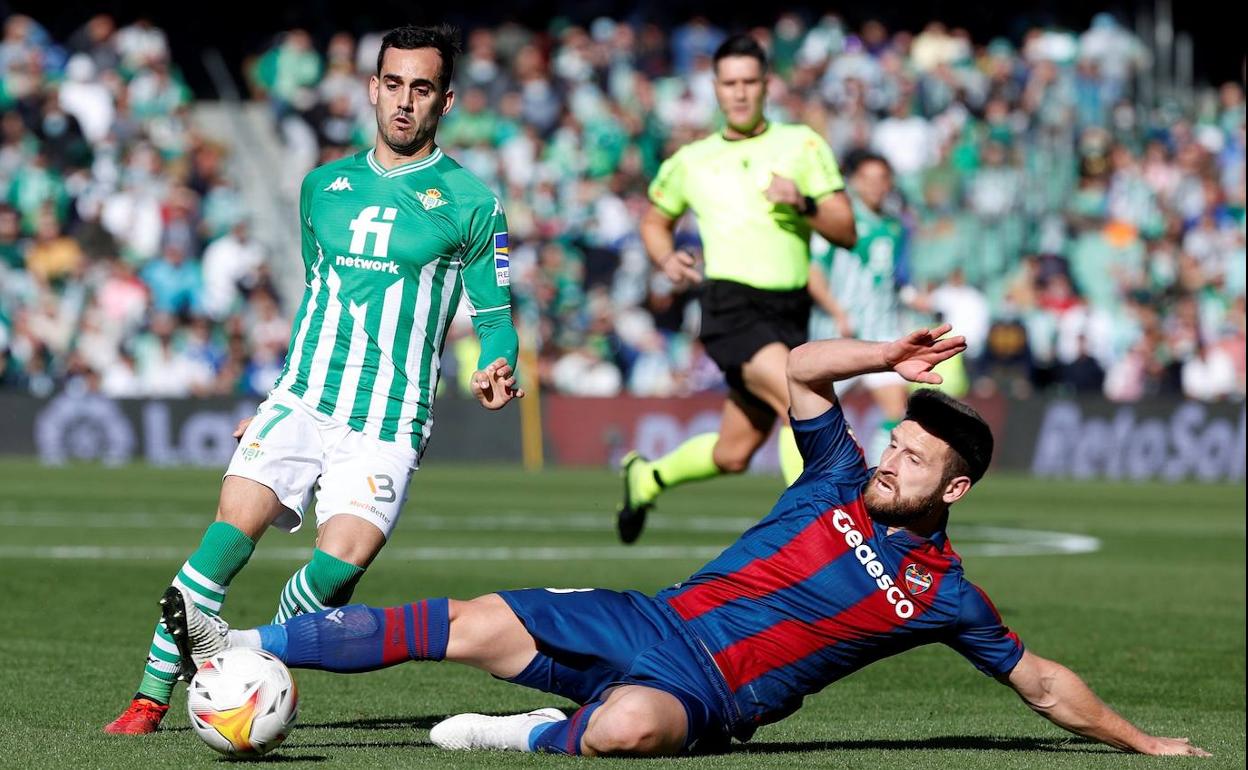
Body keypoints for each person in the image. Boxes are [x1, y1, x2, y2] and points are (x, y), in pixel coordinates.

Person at [161, 324, 1210, 758]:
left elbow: (1038, 681)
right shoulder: (837, 474)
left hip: (710, 697)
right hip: (652, 614)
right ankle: (236, 641)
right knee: (470, 618)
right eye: (893, 439)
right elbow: (799, 374)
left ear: (958, 485)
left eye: (914, 458)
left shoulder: (943, 594)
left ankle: (513, 734)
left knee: (621, 731)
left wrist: (1146, 742)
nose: (890, 459)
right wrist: (884, 351)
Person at [104, 24, 525, 734]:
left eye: (421, 89)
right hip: (302, 397)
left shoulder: (473, 201)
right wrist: (274, 399)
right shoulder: (320, 186)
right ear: (371, 87)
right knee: (228, 534)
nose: (403, 102)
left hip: (390, 417)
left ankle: (246, 662)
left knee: (341, 567)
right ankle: (147, 701)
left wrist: (497, 363)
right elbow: (317, 295)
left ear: (445, 100)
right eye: (392, 84)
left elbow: (495, 316)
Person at [617, 33, 856, 544]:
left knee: (733, 452)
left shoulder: (803, 144)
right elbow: (654, 222)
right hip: (730, 306)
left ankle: (646, 476)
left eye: (750, 81)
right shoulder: (693, 159)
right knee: (801, 399)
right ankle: (827, 541)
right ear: (716, 89)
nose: (741, 93)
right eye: (730, 83)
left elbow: (846, 228)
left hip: (789, 312)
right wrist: (665, 257)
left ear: (767, 85)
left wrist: (803, 203)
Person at [808, 150, 920, 462]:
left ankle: (874, 478)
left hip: (882, 332)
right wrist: (837, 311)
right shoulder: (840, 221)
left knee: (898, 411)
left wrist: (912, 296)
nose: (875, 186)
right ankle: (809, 478)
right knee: (812, 412)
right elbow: (814, 274)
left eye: (882, 178)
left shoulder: (895, 226)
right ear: (853, 182)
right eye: (867, 178)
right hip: (840, 331)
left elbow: (889, 279)